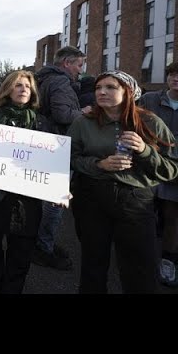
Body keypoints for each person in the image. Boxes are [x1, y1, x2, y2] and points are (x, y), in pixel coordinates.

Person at [68, 70, 178, 294]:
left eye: (110, 87)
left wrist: (145, 150)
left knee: (140, 269)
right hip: (92, 198)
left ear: (128, 92)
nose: (101, 92)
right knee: (93, 264)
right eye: (98, 88)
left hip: (135, 202)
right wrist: (99, 165)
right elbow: (69, 158)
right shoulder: (84, 123)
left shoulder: (150, 122)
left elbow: (172, 169)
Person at [0, 70, 51, 294]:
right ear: (7, 89)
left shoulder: (42, 123)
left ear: (33, 91)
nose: (24, 89)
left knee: (21, 250)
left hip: (26, 201)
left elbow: (50, 162)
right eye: (18, 85)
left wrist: (58, 187)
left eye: (27, 86)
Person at [33, 46, 90, 270]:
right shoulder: (61, 82)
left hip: (46, 144)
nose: (80, 70)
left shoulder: (44, 78)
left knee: (45, 199)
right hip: (57, 146)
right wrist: (85, 112)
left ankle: (40, 242)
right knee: (55, 203)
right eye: (78, 64)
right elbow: (63, 114)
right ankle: (43, 247)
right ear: (66, 63)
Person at [139, 61, 178, 286]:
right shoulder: (150, 99)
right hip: (149, 166)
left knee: (172, 217)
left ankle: (168, 261)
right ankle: (140, 256)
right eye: (172, 74)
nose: (175, 79)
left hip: (175, 169)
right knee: (143, 214)